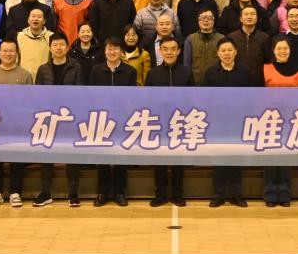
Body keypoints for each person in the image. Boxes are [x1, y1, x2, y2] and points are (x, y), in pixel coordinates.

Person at [32, 32, 87, 207]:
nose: (58, 48)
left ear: (68, 47)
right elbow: (38, 94)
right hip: (48, 117)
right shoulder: (43, 69)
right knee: (46, 155)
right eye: (55, 45)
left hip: (70, 117)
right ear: (50, 48)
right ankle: (45, 192)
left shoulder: (76, 67)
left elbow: (80, 92)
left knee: (72, 156)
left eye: (61, 44)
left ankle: (73, 193)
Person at [0, 40, 36, 207]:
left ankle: (15, 192)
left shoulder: (25, 74)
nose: (8, 54)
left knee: (17, 158)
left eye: (11, 51)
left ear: (17, 53)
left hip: (17, 124)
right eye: (5, 51)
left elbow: (30, 100)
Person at [87, 38, 137, 205]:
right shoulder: (96, 70)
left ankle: (120, 192)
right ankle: (103, 191)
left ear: (121, 51)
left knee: (120, 157)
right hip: (101, 118)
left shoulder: (130, 71)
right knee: (102, 156)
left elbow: (132, 97)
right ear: (104, 51)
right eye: (109, 49)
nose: (112, 52)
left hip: (122, 119)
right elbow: (91, 95)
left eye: (115, 49)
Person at [202, 40, 251, 207]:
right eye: (223, 50)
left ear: (235, 51)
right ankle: (218, 194)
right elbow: (206, 99)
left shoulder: (245, 73)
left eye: (230, 50)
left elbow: (252, 97)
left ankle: (236, 194)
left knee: (236, 158)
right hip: (217, 122)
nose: (226, 53)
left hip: (239, 122)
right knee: (219, 158)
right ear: (218, 53)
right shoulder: (210, 73)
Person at [145, 36, 192, 207]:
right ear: (160, 51)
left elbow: (192, 97)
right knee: (159, 160)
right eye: (165, 49)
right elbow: (147, 100)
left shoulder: (187, 72)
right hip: (159, 122)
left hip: (180, 122)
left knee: (178, 160)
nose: (169, 52)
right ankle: (161, 194)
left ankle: (178, 193)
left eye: (173, 49)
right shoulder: (152, 74)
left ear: (178, 51)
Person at [261, 38, 298, 207]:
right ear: (273, 50)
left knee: (286, 158)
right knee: (270, 159)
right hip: (270, 120)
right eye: (279, 48)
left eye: (285, 48)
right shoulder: (265, 69)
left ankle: (285, 194)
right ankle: (270, 194)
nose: (282, 51)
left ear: (290, 50)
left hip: (291, 120)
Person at [226, 6, 269, 82]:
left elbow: (267, 60)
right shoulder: (231, 37)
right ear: (241, 19)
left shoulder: (264, 37)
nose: (249, 17)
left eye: (252, 14)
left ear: (257, 18)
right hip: (236, 79)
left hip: (258, 80)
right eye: (246, 14)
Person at [184, 9, 225, 85]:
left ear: (213, 20)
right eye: (203, 18)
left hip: (217, 84)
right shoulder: (190, 39)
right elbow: (187, 65)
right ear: (198, 20)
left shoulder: (222, 39)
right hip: (196, 84)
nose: (206, 20)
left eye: (209, 18)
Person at [15, 8, 53, 78]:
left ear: (44, 21)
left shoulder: (51, 36)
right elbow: (16, 59)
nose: (36, 19)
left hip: (44, 77)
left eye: (39, 17)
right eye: (33, 16)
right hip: (24, 77)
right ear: (28, 20)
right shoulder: (19, 36)